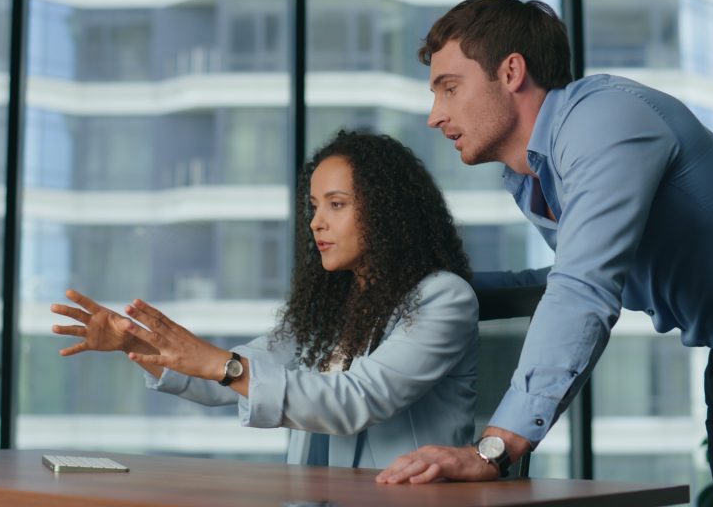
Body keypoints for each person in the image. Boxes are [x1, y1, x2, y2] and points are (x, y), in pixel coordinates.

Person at [374, 0, 713, 505]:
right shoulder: (532, 173)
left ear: (511, 72)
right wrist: (440, 291)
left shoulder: (604, 120)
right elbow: (575, 274)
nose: (434, 116)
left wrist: (496, 447)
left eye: (449, 88)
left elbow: (584, 289)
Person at [51, 130, 480, 469]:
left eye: (336, 204)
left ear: (389, 211)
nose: (316, 222)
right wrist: (140, 344)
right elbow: (237, 376)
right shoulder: (334, 306)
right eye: (314, 206)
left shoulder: (442, 299)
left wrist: (222, 364)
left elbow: (356, 400)